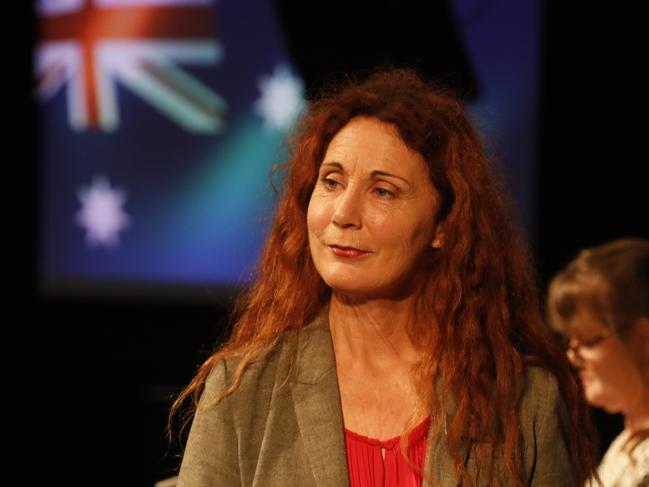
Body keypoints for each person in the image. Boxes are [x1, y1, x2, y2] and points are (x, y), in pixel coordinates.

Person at [169, 68, 597, 486]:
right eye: (332, 182)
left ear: (444, 225)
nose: (343, 214)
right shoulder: (243, 390)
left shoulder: (522, 400)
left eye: (382, 191)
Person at [547, 238, 649, 486]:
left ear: (644, 335)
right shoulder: (627, 445)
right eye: (570, 341)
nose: (572, 356)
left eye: (587, 341)